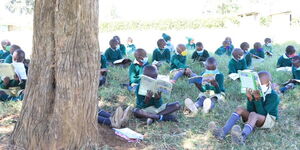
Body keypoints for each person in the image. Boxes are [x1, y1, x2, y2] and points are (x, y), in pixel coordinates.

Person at [209, 71, 280, 145]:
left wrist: (257, 100)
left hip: (268, 119)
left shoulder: (274, 96)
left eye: (260, 84)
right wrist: (250, 98)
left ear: (268, 84)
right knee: (240, 109)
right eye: (256, 83)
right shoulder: (255, 91)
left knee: (253, 114)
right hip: (255, 116)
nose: (257, 86)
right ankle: (222, 132)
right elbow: (250, 110)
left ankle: (241, 138)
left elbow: (262, 113)